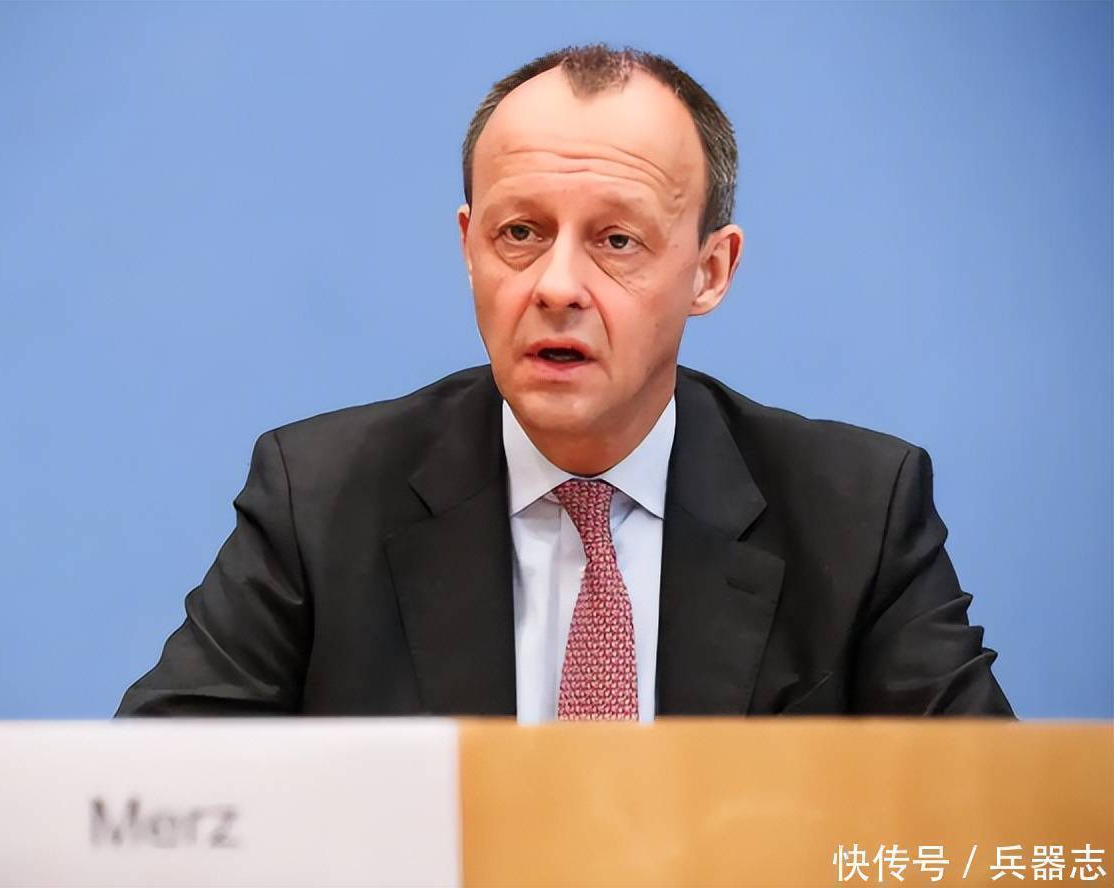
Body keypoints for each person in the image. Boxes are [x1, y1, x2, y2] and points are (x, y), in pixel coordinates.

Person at [116, 44, 1013, 720]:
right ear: (469, 245)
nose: (556, 287)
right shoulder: (319, 499)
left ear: (710, 271)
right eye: (520, 233)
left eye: (617, 241)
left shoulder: (855, 515)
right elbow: (160, 796)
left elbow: (991, 814)